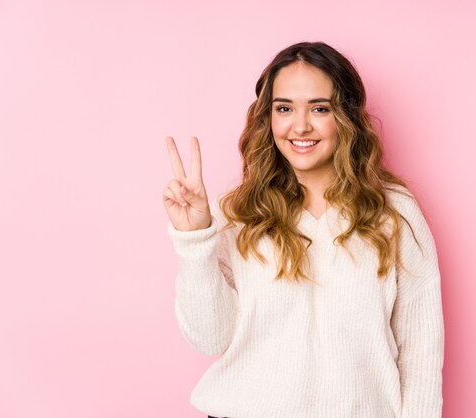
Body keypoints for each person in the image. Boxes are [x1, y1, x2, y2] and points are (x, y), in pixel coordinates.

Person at [163, 41, 445, 418]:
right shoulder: (239, 212)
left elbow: (421, 349)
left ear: (345, 116)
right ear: (269, 119)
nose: (300, 125)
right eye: (284, 108)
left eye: (319, 108)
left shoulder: (394, 213)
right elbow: (211, 338)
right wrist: (195, 240)